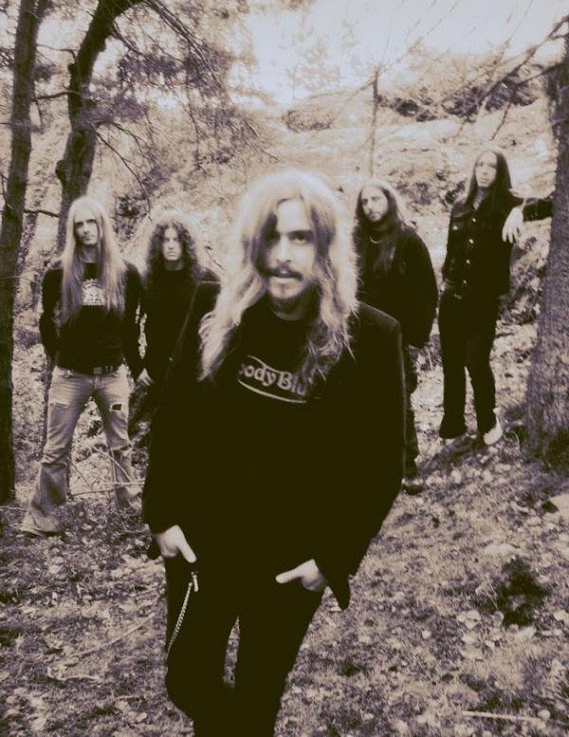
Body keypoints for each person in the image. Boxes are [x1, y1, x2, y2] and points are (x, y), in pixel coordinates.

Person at [143, 169, 405, 737]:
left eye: (300, 237)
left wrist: (333, 558)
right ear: (252, 244)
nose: (283, 255)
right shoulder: (215, 310)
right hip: (203, 543)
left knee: (259, 696)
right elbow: (175, 413)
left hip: (290, 560)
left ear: (326, 248)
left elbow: (384, 463)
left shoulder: (372, 338)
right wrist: (160, 513)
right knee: (186, 680)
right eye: (271, 236)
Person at [21, 196, 143, 537]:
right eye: (80, 224)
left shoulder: (126, 273)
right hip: (70, 376)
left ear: (102, 225)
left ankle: (130, 514)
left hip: (112, 375)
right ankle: (43, 520)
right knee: (55, 449)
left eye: (92, 222)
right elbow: (46, 321)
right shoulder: (58, 272)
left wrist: (138, 368)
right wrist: (59, 357)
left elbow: (131, 328)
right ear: (72, 230)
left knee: (120, 446)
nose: (87, 230)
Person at [438, 145, 553, 445]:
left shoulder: (507, 202)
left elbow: (551, 204)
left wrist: (519, 210)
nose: (485, 171)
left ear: (500, 172)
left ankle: (487, 421)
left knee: (476, 361)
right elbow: (451, 251)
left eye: (492, 166)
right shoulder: (460, 205)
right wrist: (444, 282)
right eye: (481, 165)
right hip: (451, 296)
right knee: (451, 363)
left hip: (483, 300)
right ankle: (453, 425)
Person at [354, 179, 437, 493]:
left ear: (389, 200)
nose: (370, 207)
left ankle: (407, 466)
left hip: (395, 336)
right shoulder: (355, 239)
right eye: (365, 201)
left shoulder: (407, 240)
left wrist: (417, 338)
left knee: (399, 400)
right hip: (359, 335)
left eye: (376, 199)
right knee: (362, 401)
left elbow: (427, 292)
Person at [138, 211, 218, 391]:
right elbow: (129, 324)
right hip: (155, 371)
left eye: (177, 240)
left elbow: (223, 325)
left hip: (193, 372)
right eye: (165, 240)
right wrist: (137, 367)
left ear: (186, 244)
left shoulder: (206, 279)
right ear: (158, 244)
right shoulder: (147, 280)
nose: (171, 245)